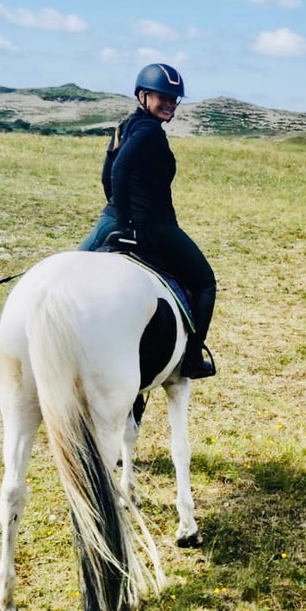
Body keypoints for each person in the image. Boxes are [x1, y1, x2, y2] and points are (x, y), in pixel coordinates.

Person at [80, 63, 216, 379]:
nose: (170, 104)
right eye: (163, 97)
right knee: (205, 282)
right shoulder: (150, 132)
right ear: (143, 95)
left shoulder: (124, 128)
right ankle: (193, 358)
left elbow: (107, 175)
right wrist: (130, 223)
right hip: (155, 225)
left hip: (108, 221)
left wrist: (116, 214)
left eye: (174, 99)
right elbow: (119, 172)